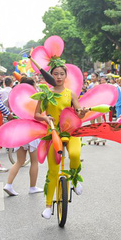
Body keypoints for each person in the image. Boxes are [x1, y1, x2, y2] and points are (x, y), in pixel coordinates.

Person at [34, 64, 87, 219]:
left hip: (71, 132)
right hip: (53, 133)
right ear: (51, 76)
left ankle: (75, 181)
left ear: (65, 76)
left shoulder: (70, 94)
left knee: (75, 154)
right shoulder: (45, 94)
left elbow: (79, 114)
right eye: (55, 74)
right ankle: (49, 206)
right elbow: (36, 114)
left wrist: (82, 112)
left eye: (61, 74)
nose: (58, 77)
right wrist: (45, 117)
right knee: (53, 170)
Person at [2, 77, 43, 196]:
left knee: (19, 161)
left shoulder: (15, 96)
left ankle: (8, 184)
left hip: (19, 129)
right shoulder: (35, 97)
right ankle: (32, 187)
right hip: (32, 129)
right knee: (34, 161)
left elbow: (5, 104)